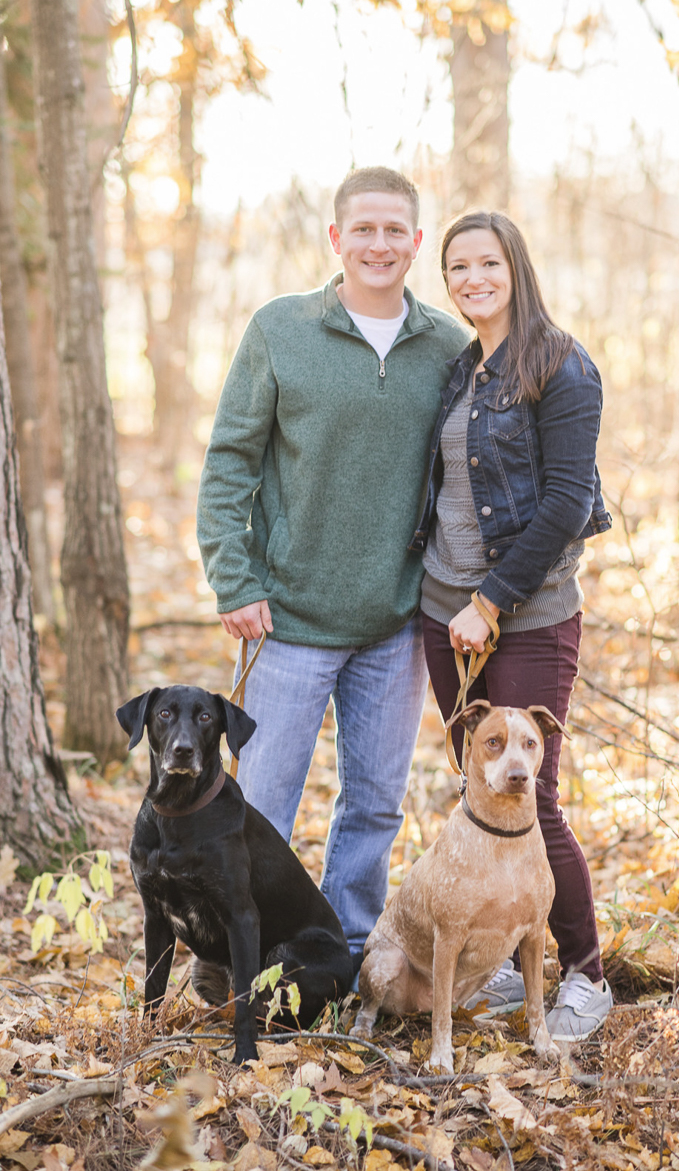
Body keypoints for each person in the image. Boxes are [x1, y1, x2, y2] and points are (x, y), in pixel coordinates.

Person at [196, 168, 466, 975]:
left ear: (417, 244)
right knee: (257, 806)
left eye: (396, 232)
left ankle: (345, 954)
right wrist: (234, 579)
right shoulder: (281, 330)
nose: (379, 245)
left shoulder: (449, 347)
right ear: (336, 238)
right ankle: (228, 957)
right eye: (365, 230)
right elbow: (229, 463)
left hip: (394, 623)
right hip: (288, 620)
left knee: (374, 807)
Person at [410, 211, 613, 1041]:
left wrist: (490, 600)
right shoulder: (461, 369)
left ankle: (586, 977)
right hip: (442, 612)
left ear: (514, 267)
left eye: (487, 263)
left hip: (523, 615)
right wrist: (451, 599)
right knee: (478, 793)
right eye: (457, 267)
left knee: (536, 798)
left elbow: (566, 501)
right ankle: (503, 965)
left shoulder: (562, 366)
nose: (471, 280)